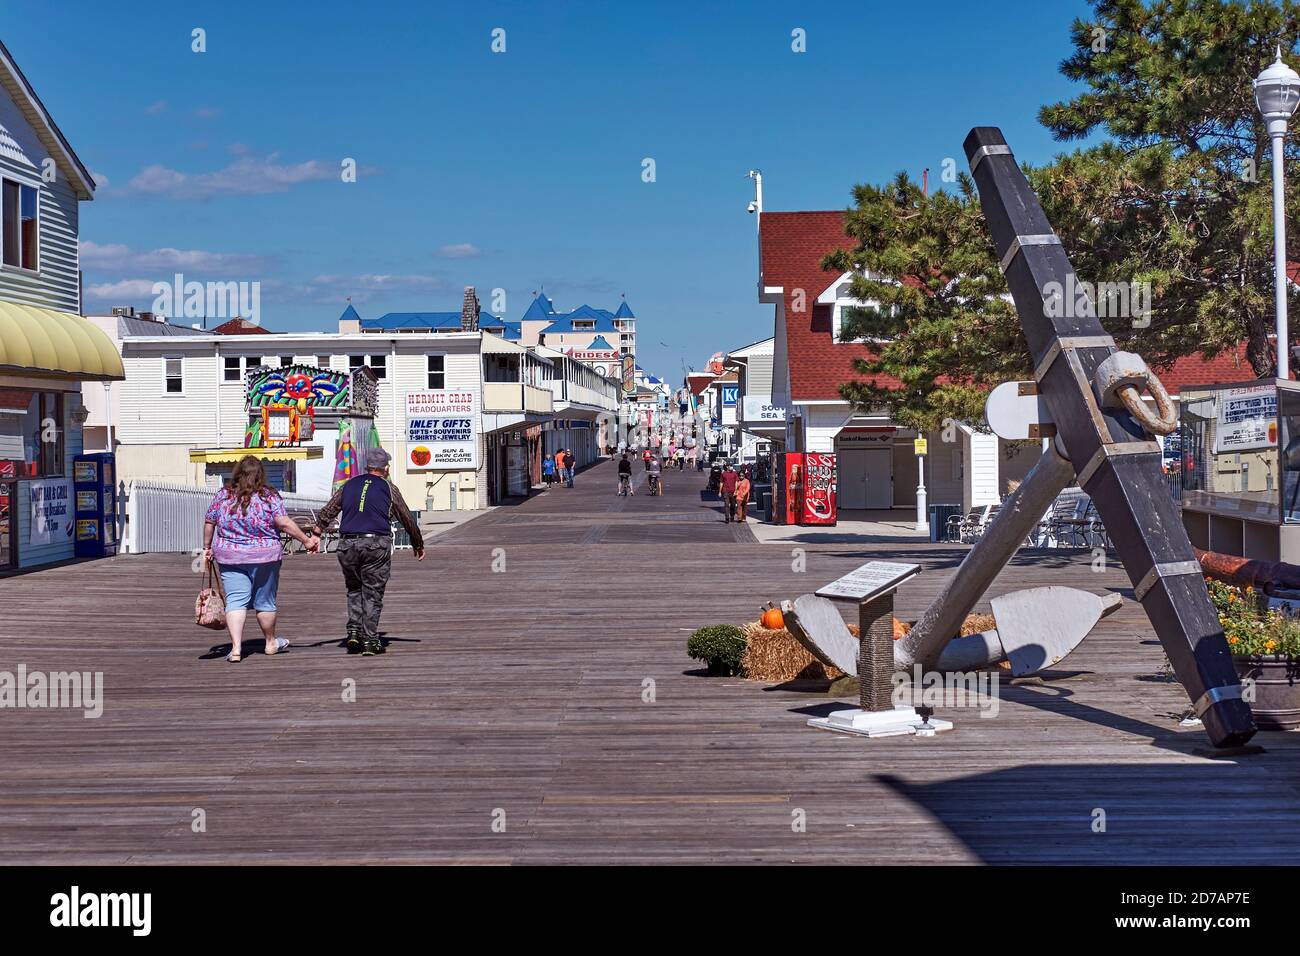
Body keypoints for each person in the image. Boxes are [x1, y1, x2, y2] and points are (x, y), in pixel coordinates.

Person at [203, 455, 318, 662]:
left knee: (235, 601)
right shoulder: (269, 496)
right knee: (265, 601)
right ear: (260, 475)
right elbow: (283, 522)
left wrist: (206, 547)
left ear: (238, 474)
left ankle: (236, 649)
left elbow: (210, 521)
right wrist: (306, 540)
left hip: (230, 556)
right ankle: (270, 642)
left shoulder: (223, 496)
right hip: (265, 557)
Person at [314, 448, 425, 656]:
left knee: (354, 588)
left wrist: (316, 532)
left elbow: (330, 509)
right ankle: (370, 640)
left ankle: (354, 632)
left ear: (367, 467)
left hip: (347, 545)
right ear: (385, 468)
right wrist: (417, 543)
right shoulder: (389, 488)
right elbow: (406, 517)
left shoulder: (349, 485)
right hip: (375, 544)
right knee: (372, 592)